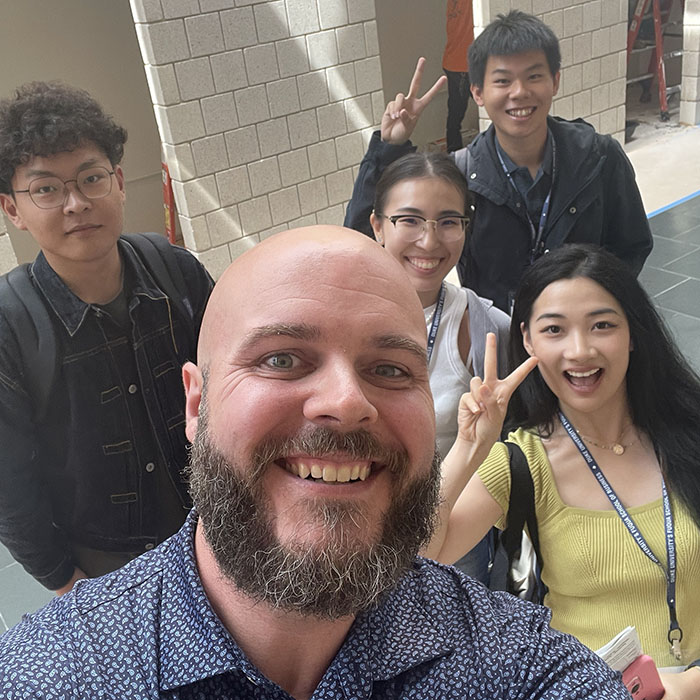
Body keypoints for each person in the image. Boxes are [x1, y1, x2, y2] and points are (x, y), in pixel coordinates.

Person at [0, 227, 630, 699]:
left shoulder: (514, 664)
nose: (346, 403)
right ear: (196, 403)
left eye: (390, 369)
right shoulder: (54, 672)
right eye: (281, 359)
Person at [425, 244, 700, 697]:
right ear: (529, 341)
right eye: (554, 329)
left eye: (602, 325)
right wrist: (470, 447)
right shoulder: (522, 461)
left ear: (633, 332)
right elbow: (420, 555)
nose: (580, 350)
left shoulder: (686, 432)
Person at [0, 82, 213, 594]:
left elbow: (231, 383)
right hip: (104, 564)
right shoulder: (10, 324)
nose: (75, 203)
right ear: (12, 210)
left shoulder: (175, 271)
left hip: (214, 528)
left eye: (91, 178)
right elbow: (8, 480)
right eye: (46, 189)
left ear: (118, 181)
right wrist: (63, 579)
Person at [344, 10, 653, 313]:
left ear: (555, 81)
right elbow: (364, 243)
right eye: (503, 81)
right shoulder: (461, 175)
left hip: (574, 340)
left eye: (534, 76)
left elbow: (631, 246)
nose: (519, 92)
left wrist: (594, 307)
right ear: (478, 92)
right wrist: (389, 148)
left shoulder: (598, 157)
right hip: (498, 346)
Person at [367, 150, 510, 581]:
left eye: (448, 222)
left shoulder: (486, 328)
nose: (430, 242)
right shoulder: (341, 321)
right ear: (377, 226)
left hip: (452, 532)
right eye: (409, 220)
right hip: (358, 526)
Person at [443, 0, 474, 152]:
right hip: (462, 65)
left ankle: (452, 156)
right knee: (493, 109)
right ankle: (453, 156)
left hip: (454, 62)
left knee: (455, 115)